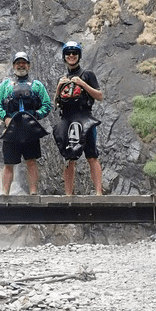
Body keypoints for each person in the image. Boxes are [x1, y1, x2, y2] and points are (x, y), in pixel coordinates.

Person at [0, 51, 52, 195]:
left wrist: (36, 115)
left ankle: (33, 193)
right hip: (11, 128)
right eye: (18, 63)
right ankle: (5, 193)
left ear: (28, 66)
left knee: (31, 161)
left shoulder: (37, 85)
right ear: (13, 66)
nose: (21, 65)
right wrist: (5, 118)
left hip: (30, 128)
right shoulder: (5, 85)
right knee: (8, 163)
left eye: (23, 62)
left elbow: (47, 104)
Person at [52, 40, 104, 196]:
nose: (71, 55)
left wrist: (83, 84)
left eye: (74, 53)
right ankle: (68, 195)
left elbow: (100, 96)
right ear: (64, 56)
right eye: (68, 53)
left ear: (79, 55)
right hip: (67, 119)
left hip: (85, 117)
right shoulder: (62, 78)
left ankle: (99, 193)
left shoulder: (87, 75)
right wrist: (58, 87)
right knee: (69, 157)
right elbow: (56, 104)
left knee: (92, 155)